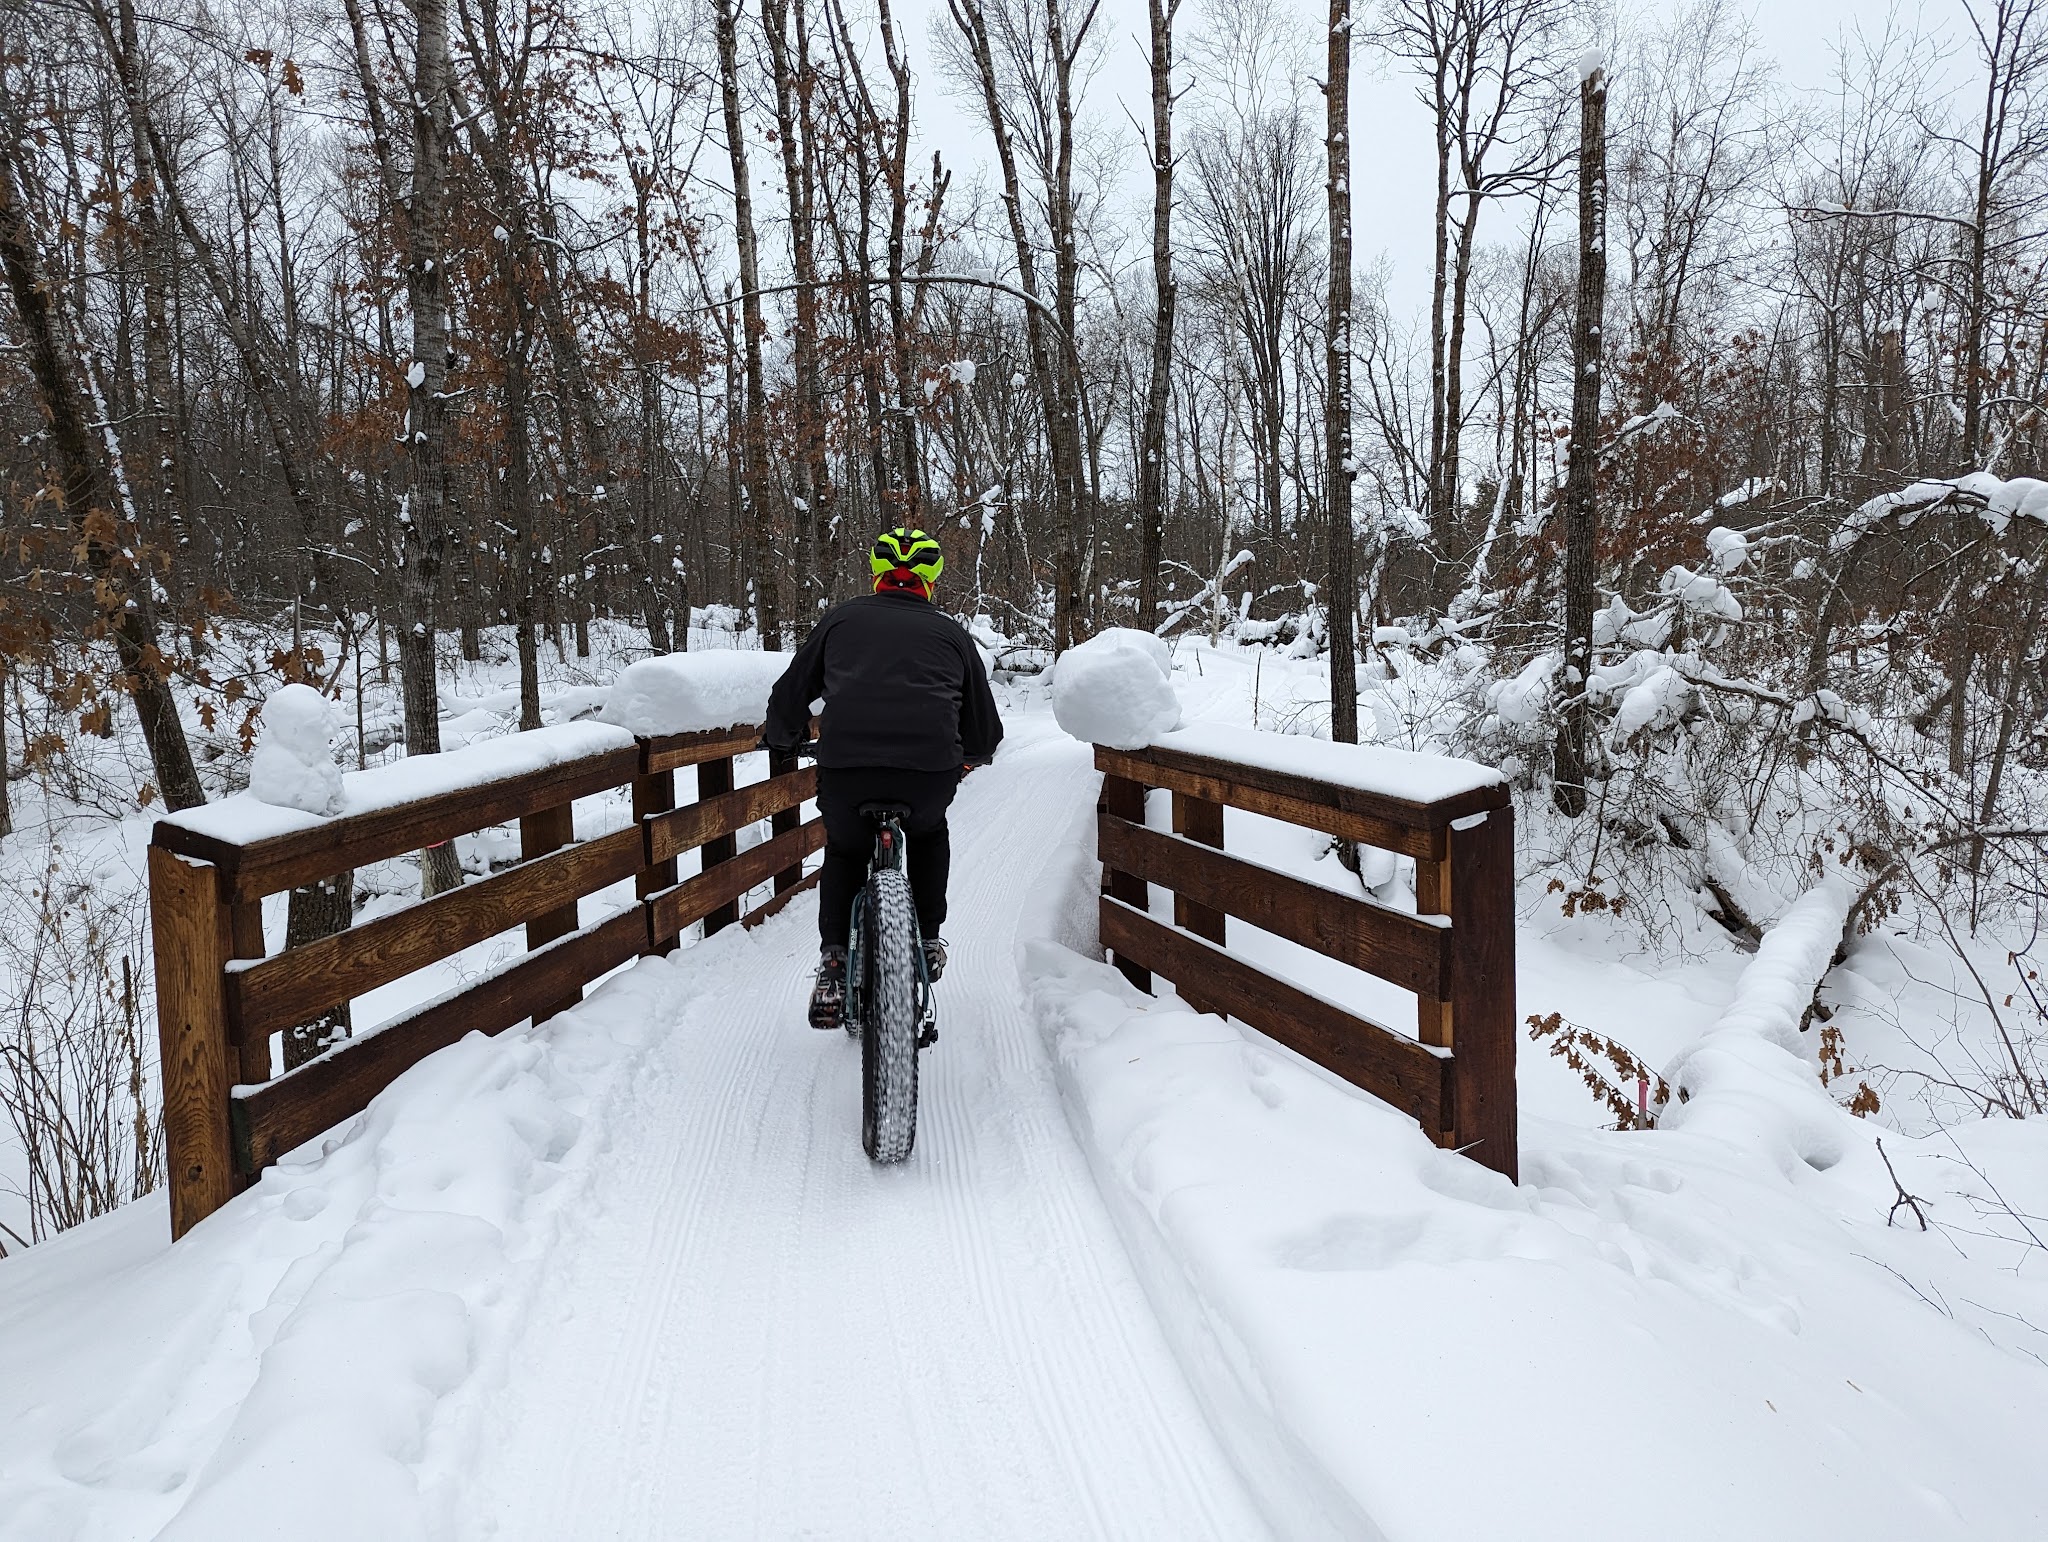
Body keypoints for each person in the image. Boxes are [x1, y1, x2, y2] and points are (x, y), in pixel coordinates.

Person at [765, 527, 1004, 1028]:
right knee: (929, 832)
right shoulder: (953, 635)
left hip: (848, 769)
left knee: (847, 849)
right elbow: (983, 727)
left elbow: (791, 693)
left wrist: (783, 738)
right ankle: (929, 938)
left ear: (876, 576)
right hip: (927, 775)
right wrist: (971, 756)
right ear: (931, 582)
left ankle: (833, 959)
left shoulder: (841, 620)